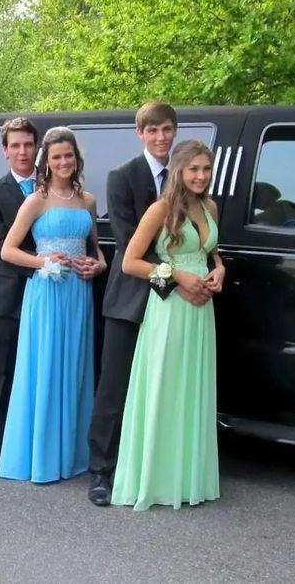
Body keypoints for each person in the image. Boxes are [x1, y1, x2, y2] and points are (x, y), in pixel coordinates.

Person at [87, 101, 213, 505]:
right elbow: (129, 245)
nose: (161, 137)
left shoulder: (198, 184)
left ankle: (164, 469)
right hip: (132, 297)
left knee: (166, 388)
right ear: (140, 133)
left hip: (182, 307)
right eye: (152, 130)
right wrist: (178, 280)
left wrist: (211, 269)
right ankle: (102, 472)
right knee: (115, 388)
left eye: (167, 129)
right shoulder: (122, 177)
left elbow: (204, 238)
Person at [111, 139, 224, 510]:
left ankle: (188, 479)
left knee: (192, 389)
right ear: (178, 170)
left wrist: (219, 270)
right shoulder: (160, 209)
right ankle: (156, 481)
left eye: (206, 168)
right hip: (170, 309)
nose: (201, 175)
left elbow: (210, 252)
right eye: (193, 169)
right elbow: (130, 262)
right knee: (165, 388)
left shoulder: (210, 207)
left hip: (201, 311)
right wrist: (175, 277)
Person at [0, 127, 106, 483]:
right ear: (48, 160)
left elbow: (95, 248)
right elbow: (7, 250)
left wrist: (99, 264)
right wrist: (43, 261)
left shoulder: (87, 200)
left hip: (78, 292)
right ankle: (41, 454)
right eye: (57, 156)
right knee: (45, 365)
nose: (64, 162)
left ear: (77, 159)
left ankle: (70, 452)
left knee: (74, 365)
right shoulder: (36, 200)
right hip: (46, 292)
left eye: (69, 156)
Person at [0, 117, 39, 467]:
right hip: (12, 293)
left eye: (28, 144)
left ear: (36, 147)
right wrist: (45, 260)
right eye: (14, 145)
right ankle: (0, 442)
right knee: (5, 369)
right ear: (4, 151)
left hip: (53, 294)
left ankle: (35, 434)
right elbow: (1, 245)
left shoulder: (54, 185)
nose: (21, 151)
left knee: (41, 366)